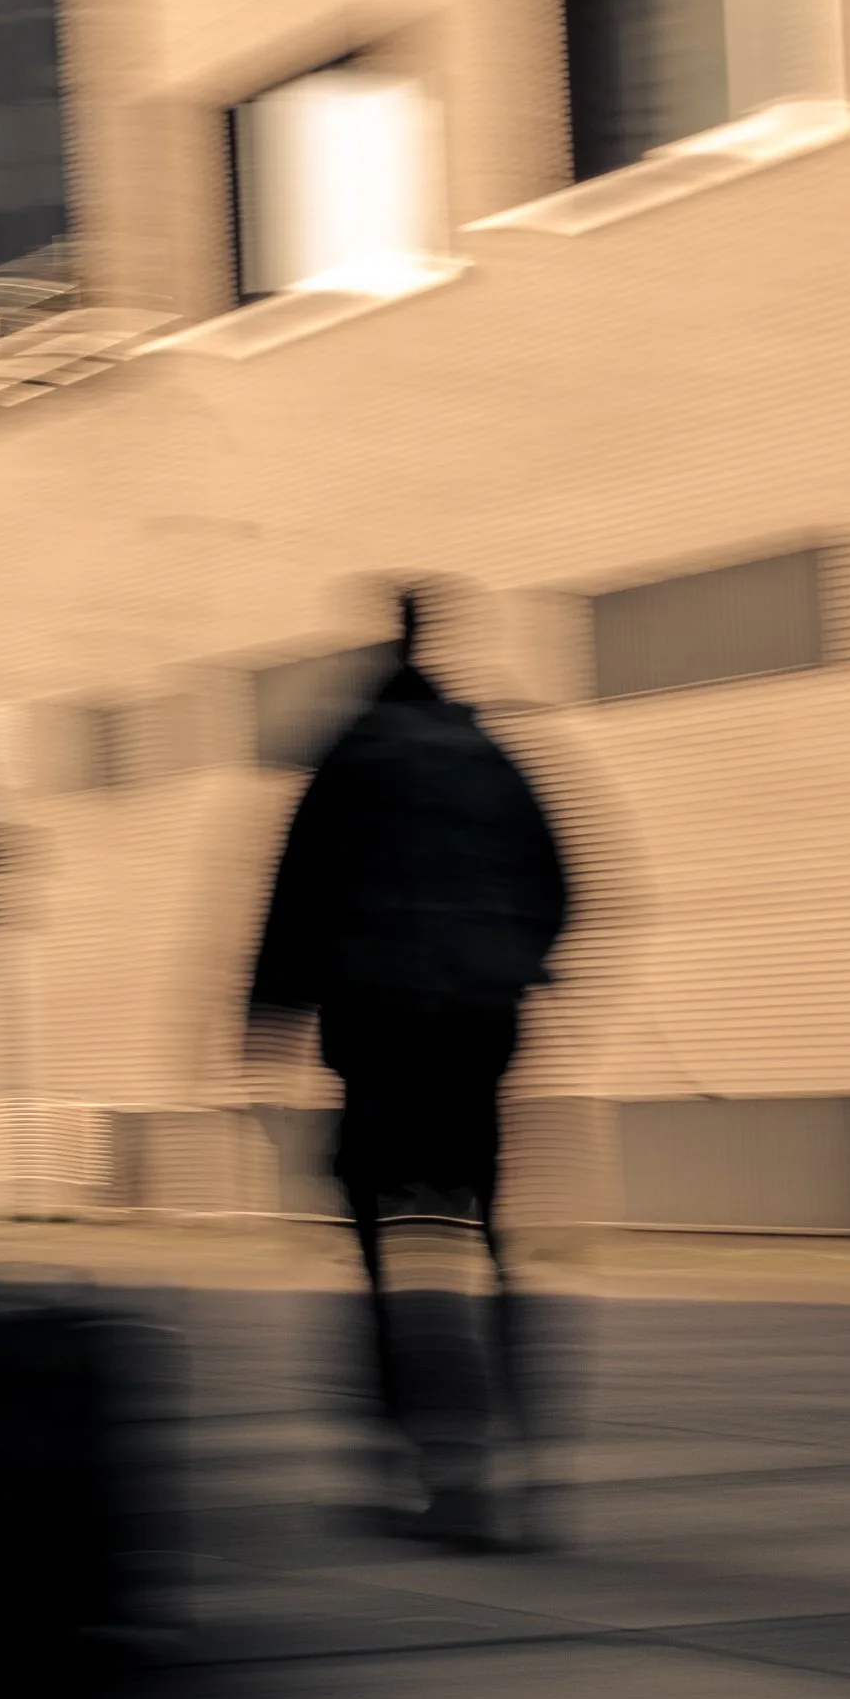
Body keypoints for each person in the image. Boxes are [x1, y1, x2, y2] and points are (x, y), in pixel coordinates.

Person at [248, 586, 570, 1544]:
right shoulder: (492, 756)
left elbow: (294, 898)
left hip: (378, 1039)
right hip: (479, 1037)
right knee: (487, 1240)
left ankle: (422, 1471)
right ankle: (524, 1469)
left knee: (386, 1255)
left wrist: (263, 1028)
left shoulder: (348, 758)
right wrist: (523, 971)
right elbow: (564, 879)